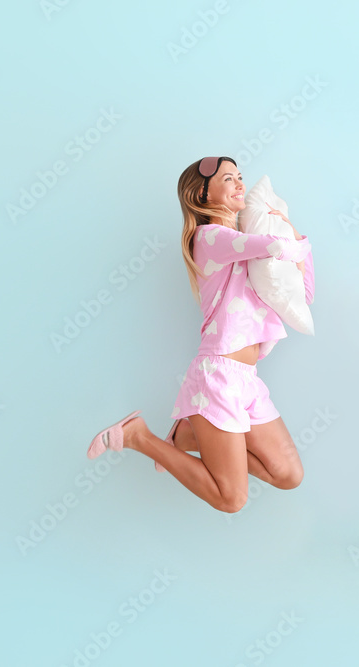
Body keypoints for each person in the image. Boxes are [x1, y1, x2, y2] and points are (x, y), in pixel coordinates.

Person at [86, 156, 314, 513]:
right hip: (218, 376)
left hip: (248, 380)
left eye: (240, 177)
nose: (240, 183)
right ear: (203, 195)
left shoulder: (249, 257)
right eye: (229, 179)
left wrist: (298, 237)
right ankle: (137, 435)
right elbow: (274, 246)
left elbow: (304, 294)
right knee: (232, 499)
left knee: (288, 475)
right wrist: (290, 240)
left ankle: (188, 435)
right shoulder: (208, 238)